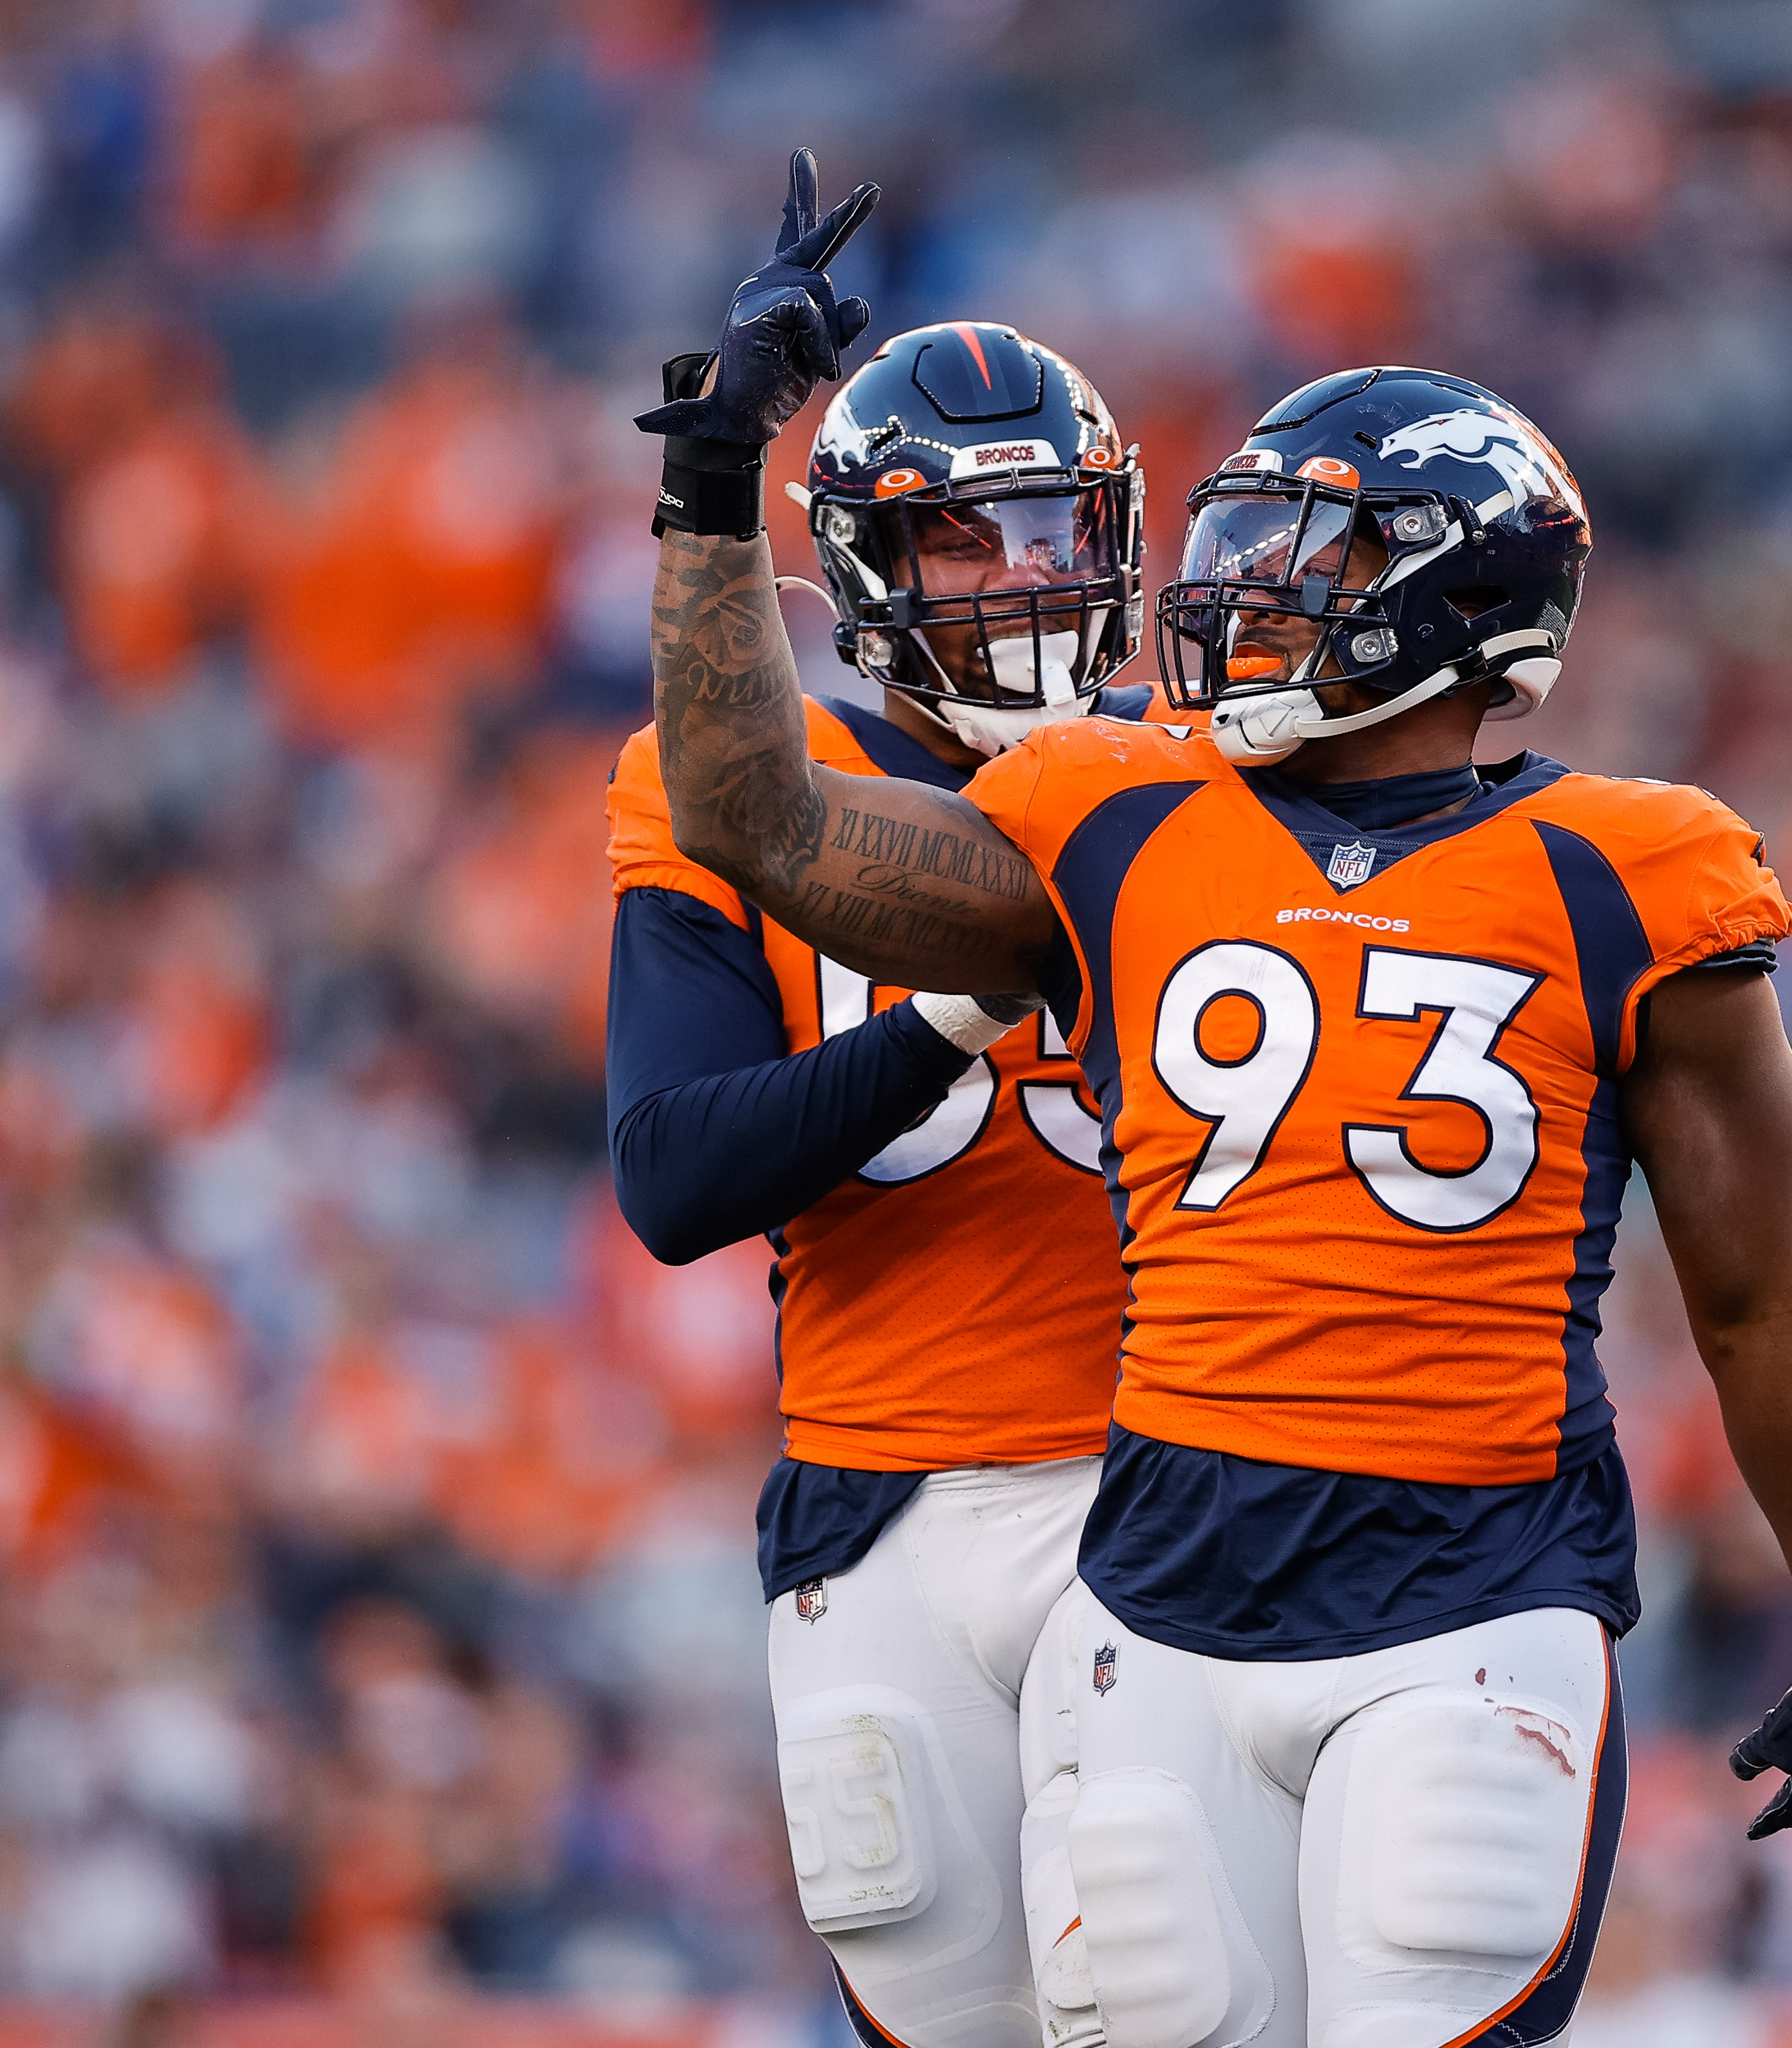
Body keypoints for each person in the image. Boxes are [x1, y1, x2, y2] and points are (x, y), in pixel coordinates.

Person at [636, 153, 1792, 2048]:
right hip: (1156, 1589)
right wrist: (707, 484)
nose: (1234, 596)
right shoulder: (1114, 818)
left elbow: (1759, 1311)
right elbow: (758, 820)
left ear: (1455, 601)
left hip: (1472, 1575)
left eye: (1305, 561)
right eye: (1241, 543)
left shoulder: (1639, 873)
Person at [608, 153, 1166, 2048]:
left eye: (1054, 529)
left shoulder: (1202, 775)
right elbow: (676, 1174)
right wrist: (941, 1022)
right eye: (964, 542)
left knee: (1171, 1998)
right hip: (886, 1511)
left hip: (1173, 1488)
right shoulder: (731, 782)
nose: (1025, 581)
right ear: (860, 569)